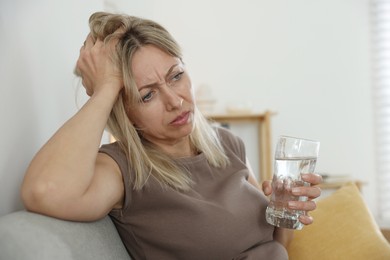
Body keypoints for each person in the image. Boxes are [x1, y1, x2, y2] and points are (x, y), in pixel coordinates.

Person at [21, 12, 322, 259]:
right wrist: (106, 88)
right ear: (124, 110)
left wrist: (285, 211)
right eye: (147, 95)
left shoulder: (227, 144)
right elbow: (45, 190)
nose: (175, 101)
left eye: (176, 76)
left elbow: (275, 247)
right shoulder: (125, 170)